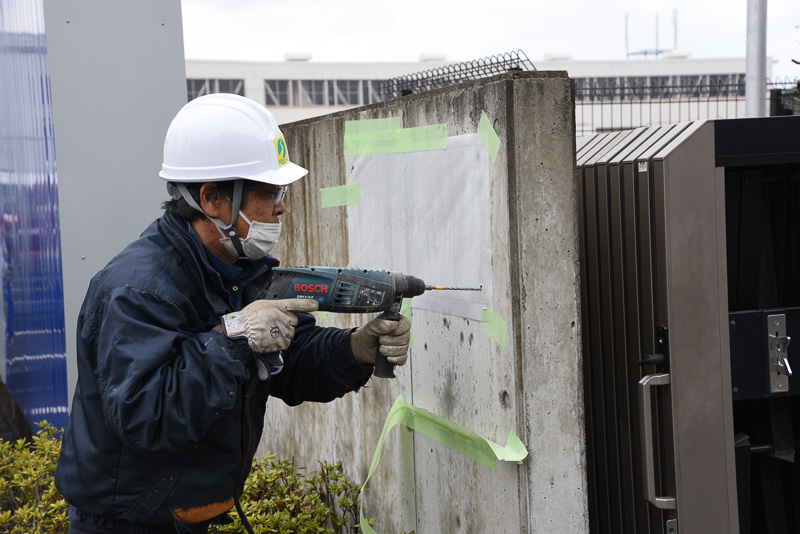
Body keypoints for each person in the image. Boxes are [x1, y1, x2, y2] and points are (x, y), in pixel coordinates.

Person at [55, 93, 411, 534]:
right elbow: (148, 416)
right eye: (268, 192)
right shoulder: (138, 290)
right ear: (211, 199)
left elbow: (291, 359)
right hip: (126, 524)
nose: (281, 205)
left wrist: (355, 347)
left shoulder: (238, 270)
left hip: (185, 516)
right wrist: (235, 336)